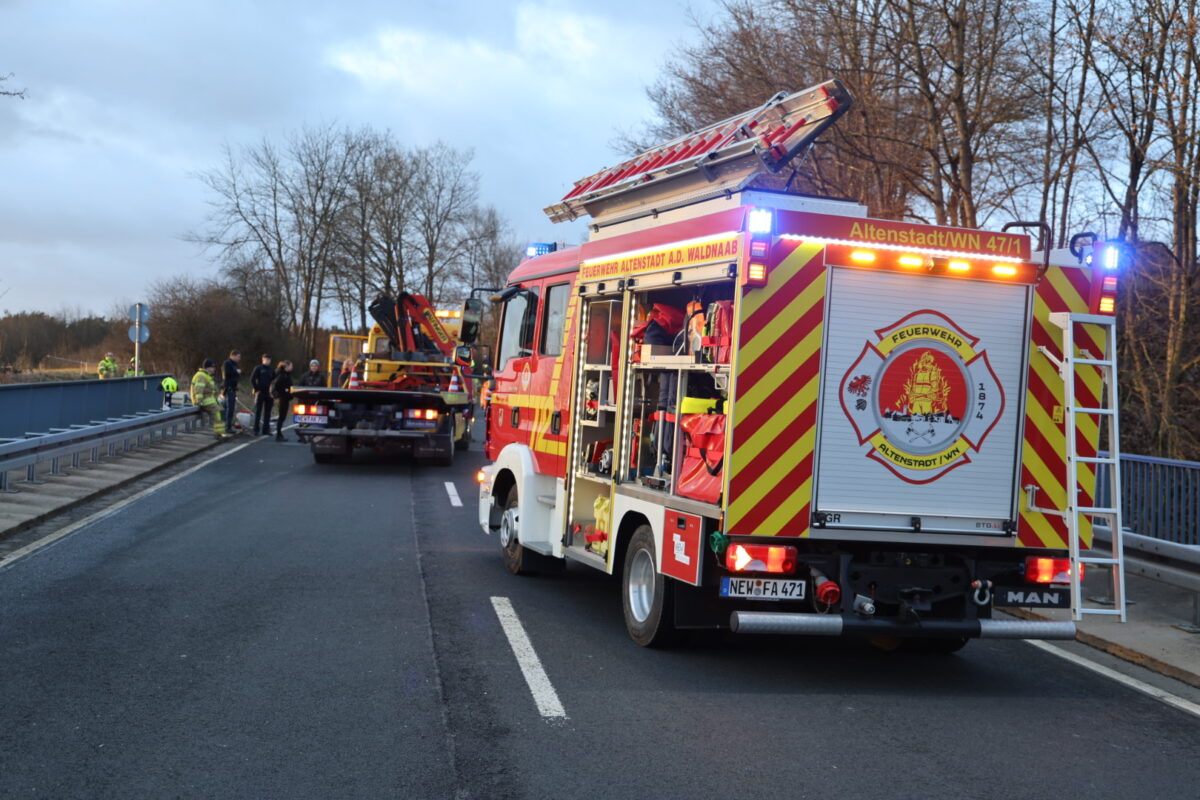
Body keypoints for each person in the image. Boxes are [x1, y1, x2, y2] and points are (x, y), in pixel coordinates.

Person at [190, 359, 226, 438]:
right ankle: (219, 433)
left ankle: (220, 433)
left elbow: (211, 389)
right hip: (205, 401)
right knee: (217, 413)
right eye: (212, 367)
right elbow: (199, 390)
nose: (214, 369)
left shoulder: (207, 376)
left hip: (210, 400)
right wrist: (199, 402)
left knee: (221, 411)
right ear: (207, 368)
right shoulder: (201, 376)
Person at [250, 354, 275, 436]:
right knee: (258, 411)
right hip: (260, 392)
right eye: (266, 359)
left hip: (269, 393)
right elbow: (252, 379)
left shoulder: (271, 370)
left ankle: (266, 430)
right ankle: (256, 430)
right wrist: (256, 389)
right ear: (263, 360)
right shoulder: (258, 368)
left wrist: (273, 392)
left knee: (268, 412)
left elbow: (274, 381)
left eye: (269, 359)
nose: (267, 361)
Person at [270, 360, 294, 442]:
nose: (292, 367)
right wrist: (280, 394)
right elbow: (275, 386)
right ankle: (279, 434)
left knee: (283, 416)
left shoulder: (286, 375)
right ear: (286, 366)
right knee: (281, 416)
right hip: (282, 398)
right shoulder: (282, 376)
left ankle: (279, 434)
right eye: (291, 366)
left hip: (285, 398)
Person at [222, 349, 241, 434]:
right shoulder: (227, 363)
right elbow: (227, 374)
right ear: (233, 355)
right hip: (228, 388)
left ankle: (229, 425)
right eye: (238, 357)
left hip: (233, 388)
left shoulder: (235, 364)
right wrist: (236, 372)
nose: (239, 359)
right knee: (229, 408)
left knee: (231, 408)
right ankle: (227, 427)